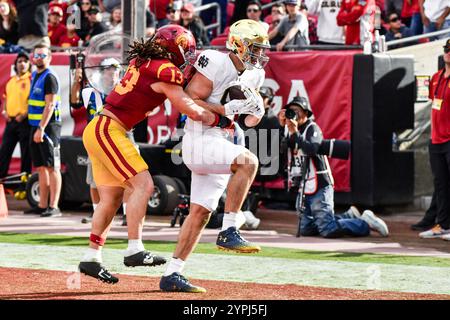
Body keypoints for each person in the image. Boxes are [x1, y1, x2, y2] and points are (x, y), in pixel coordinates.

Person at [77, 25, 232, 284]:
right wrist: (222, 119)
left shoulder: (144, 61)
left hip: (102, 128)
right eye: (186, 50)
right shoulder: (164, 70)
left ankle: (91, 257)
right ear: (174, 48)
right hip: (110, 129)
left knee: (112, 197)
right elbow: (191, 110)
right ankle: (135, 249)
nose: (189, 56)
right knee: (144, 185)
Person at [159, 19, 269, 293]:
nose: (259, 54)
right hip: (199, 138)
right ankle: (230, 230)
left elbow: (249, 121)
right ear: (239, 45)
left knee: (200, 213)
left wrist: (258, 109)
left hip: (221, 139)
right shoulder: (216, 62)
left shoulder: (255, 75)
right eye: (255, 47)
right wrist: (226, 108)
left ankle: (172, 273)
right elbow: (189, 99)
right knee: (248, 162)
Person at [278, 96, 389, 238]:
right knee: (306, 230)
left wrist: (295, 133)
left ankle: (364, 223)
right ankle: (348, 216)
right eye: (290, 111)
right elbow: (278, 150)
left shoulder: (313, 128)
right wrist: (282, 127)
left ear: (306, 113)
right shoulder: (288, 130)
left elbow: (311, 149)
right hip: (304, 185)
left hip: (320, 185)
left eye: (297, 111)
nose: (293, 114)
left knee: (327, 230)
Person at [70, 57, 129, 225]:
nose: (113, 73)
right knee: (94, 178)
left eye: (116, 69)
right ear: (102, 72)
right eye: (109, 69)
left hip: (119, 135)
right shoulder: (91, 90)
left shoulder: (124, 89)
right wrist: (76, 82)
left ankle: (126, 212)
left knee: (127, 176)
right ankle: (96, 213)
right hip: (96, 137)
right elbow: (75, 103)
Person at [419, 40, 450, 240]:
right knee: (441, 184)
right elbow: (434, 106)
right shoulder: (436, 77)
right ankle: (444, 224)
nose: (448, 53)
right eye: (447, 49)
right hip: (436, 140)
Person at [27, 44, 62, 217]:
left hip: (48, 127)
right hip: (35, 126)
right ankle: (42, 204)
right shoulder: (34, 74)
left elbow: (50, 105)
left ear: (50, 58)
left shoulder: (50, 77)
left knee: (52, 167)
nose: (39, 58)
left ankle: (54, 206)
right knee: (41, 167)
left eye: (43, 55)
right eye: (37, 55)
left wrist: (41, 128)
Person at [0, 52, 32, 180]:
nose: (22, 64)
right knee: (4, 152)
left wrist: (24, 115)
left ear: (29, 64)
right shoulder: (10, 81)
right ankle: (1, 181)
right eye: (19, 61)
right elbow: (5, 99)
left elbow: (34, 102)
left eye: (25, 61)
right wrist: (4, 112)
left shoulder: (32, 79)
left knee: (26, 154)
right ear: (15, 65)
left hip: (24, 122)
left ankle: (23, 185)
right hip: (11, 121)